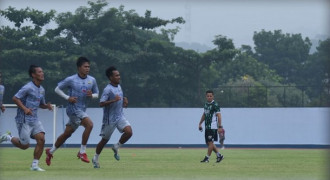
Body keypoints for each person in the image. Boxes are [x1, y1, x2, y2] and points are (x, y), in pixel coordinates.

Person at [45, 57, 99, 166]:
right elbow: (57, 89)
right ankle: (82, 152)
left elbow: (97, 94)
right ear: (79, 67)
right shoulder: (71, 79)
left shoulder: (92, 80)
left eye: (89, 67)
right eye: (85, 67)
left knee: (67, 134)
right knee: (90, 125)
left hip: (82, 110)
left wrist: (91, 95)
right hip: (72, 109)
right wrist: (67, 98)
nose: (87, 69)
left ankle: (50, 151)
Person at [0, 65, 53, 171]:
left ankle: (34, 165)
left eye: (42, 71)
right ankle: (8, 137)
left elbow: (40, 104)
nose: (42, 73)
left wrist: (46, 106)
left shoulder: (41, 89)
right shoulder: (28, 87)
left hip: (34, 119)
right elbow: (15, 98)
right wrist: (25, 109)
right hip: (23, 120)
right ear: (33, 75)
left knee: (41, 139)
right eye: (39, 72)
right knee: (25, 146)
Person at [92, 66, 132, 168]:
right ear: (111, 78)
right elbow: (101, 103)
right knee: (104, 140)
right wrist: (113, 100)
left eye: (119, 75)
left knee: (129, 132)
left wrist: (124, 100)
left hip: (120, 116)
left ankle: (116, 146)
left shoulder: (119, 86)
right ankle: (95, 158)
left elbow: (120, 99)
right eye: (116, 75)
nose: (119, 77)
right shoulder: (107, 89)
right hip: (109, 119)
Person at [198, 90, 224, 163]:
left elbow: (219, 116)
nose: (209, 97)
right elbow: (204, 114)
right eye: (208, 96)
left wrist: (220, 127)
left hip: (213, 127)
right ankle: (219, 155)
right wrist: (200, 123)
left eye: (210, 96)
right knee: (209, 143)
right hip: (207, 127)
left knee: (210, 143)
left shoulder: (215, 105)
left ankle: (207, 158)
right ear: (206, 96)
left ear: (213, 96)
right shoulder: (206, 104)